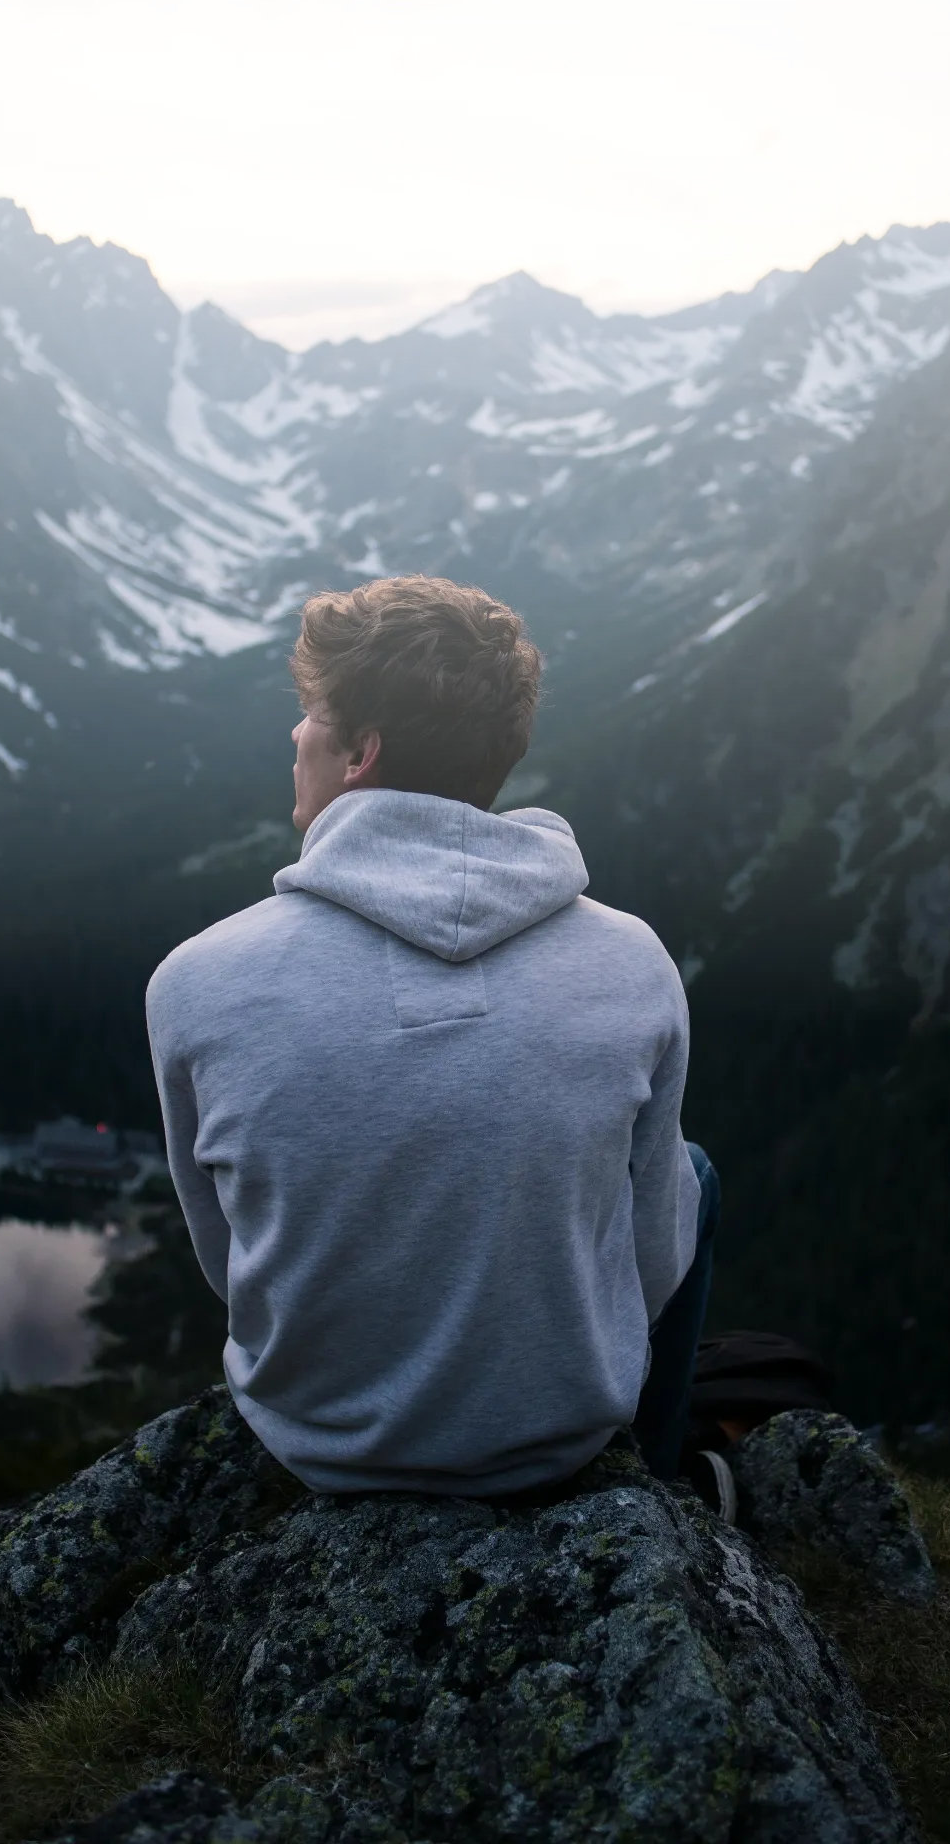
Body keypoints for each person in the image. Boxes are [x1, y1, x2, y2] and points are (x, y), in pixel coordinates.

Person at [146, 574, 726, 1509]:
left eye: (311, 714)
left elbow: (232, 1259)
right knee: (690, 1174)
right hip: (560, 1440)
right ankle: (655, 1489)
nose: (295, 734)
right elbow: (654, 1264)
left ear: (359, 753)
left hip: (319, 1443)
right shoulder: (632, 959)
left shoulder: (195, 980)